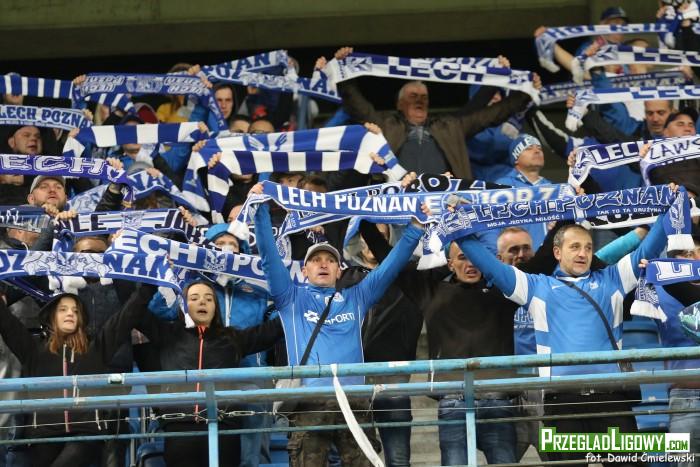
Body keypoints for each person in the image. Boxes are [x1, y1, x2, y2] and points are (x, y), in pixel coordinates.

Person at [454, 189, 677, 466]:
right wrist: (458, 228)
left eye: (588, 247)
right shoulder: (535, 286)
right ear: (557, 252)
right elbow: (489, 266)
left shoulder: (613, 279)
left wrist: (670, 205)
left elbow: (650, 247)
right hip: (561, 404)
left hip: (612, 402)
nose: (583, 253)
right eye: (575, 247)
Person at [251, 182, 424, 466]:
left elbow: (390, 267)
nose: (323, 264)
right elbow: (269, 258)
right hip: (309, 402)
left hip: (354, 400)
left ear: (339, 269)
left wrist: (415, 229)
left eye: (330, 260)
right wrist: (259, 211)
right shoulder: (290, 298)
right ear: (304, 271)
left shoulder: (357, 297)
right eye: (315, 260)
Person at [0, 285, 156, 467]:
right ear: (52, 317)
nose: (70, 314)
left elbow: (127, 316)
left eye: (75, 311)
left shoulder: (96, 349)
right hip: (42, 436)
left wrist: (148, 287)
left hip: (85, 436)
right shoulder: (33, 350)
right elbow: (6, 323)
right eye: (63, 309)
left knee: (72, 456)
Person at [331, 46, 538, 180]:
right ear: (400, 103)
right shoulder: (385, 124)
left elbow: (492, 115)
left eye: (424, 97)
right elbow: (357, 106)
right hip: (398, 198)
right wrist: (344, 72)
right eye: (413, 96)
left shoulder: (450, 126)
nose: (420, 100)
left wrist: (524, 93)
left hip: (446, 201)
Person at [137, 280, 283, 467]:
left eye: (209, 299)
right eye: (194, 298)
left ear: (215, 307)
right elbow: (136, 312)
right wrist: (152, 282)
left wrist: (299, 297)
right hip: (180, 430)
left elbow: (274, 329)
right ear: (184, 306)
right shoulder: (168, 335)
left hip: (224, 430)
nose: (202, 302)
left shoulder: (232, 338)